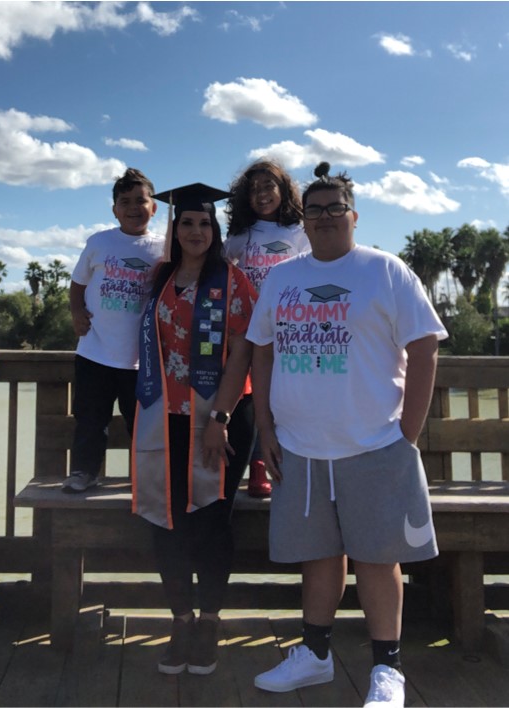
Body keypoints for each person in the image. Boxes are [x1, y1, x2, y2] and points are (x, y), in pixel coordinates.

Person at [246, 162, 448, 707]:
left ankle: (387, 669)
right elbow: (261, 348)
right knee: (318, 555)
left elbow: (425, 345)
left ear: (353, 216)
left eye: (336, 208)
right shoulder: (284, 277)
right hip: (300, 445)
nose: (326, 217)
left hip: (374, 443)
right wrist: (265, 424)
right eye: (315, 211)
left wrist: (408, 429)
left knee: (380, 558)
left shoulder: (386, 270)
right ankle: (314, 656)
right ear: (303, 222)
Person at [132, 183, 257, 676]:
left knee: (209, 520)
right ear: (175, 228)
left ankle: (208, 622)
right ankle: (179, 620)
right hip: (165, 417)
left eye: (205, 223)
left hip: (219, 420)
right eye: (187, 222)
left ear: (215, 229)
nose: (196, 231)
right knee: (166, 519)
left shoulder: (234, 282)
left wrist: (219, 419)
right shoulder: (159, 278)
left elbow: (244, 352)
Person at [62, 168, 164, 493]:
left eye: (141, 200)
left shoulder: (164, 250)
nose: (134, 207)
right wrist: (77, 312)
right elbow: (77, 286)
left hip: (141, 360)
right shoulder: (99, 242)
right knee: (91, 419)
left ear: (154, 206)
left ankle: (144, 478)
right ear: (114, 209)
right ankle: (84, 472)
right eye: (125, 202)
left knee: (142, 425)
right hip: (95, 352)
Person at [225, 159, 309, 497]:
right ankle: (252, 467)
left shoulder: (299, 231)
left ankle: (281, 462)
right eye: (254, 189)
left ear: (284, 190)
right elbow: (221, 267)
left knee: (279, 397)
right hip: (247, 329)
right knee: (248, 397)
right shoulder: (239, 236)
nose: (261, 195)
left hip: (289, 329)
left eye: (268, 186)